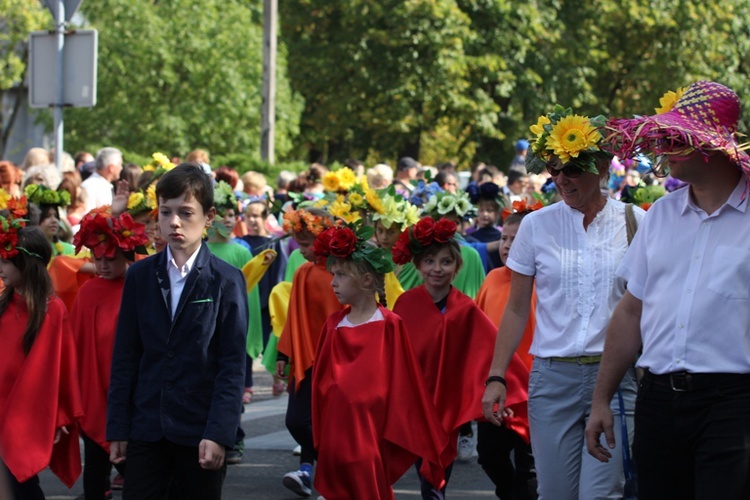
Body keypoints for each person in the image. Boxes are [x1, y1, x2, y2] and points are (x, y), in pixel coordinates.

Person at [586, 81, 750, 499]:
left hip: (734, 404)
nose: (663, 147)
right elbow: (629, 311)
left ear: (710, 146)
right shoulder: (660, 214)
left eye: (676, 138)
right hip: (657, 400)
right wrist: (601, 399)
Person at [482, 107, 644, 499]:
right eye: (554, 170)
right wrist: (497, 375)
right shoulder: (537, 226)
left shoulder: (636, 222)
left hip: (616, 378)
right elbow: (517, 308)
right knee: (554, 493)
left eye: (572, 169)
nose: (561, 179)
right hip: (552, 380)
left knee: (601, 494)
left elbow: (647, 308)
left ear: (603, 166)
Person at [106, 163, 249, 500]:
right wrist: (118, 427)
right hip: (147, 427)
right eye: (165, 212)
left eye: (186, 212)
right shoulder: (140, 276)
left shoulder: (226, 279)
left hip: (200, 430)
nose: (174, 222)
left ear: (209, 215)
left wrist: (220, 433)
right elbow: (126, 356)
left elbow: (232, 364)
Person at [392, 217, 528, 499]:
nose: (437, 269)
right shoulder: (405, 303)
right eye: (429, 261)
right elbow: (394, 351)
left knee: (441, 460)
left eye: (445, 262)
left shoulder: (465, 309)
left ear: (457, 267)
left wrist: (511, 390)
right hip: (415, 398)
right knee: (422, 460)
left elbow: (487, 349)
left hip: (450, 400)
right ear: (418, 265)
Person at [311, 222, 448, 499]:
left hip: (371, 428)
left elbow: (404, 381)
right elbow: (320, 382)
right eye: (333, 274)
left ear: (365, 280)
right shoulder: (333, 325)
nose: (333, 282)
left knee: (368, 484)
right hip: (338, 426)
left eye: (341, 275)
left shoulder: (389, 324)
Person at [0, 203, 83, 499]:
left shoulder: (51, 310)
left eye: (6, 261)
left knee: (20, 483)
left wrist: (58, 416)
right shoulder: (2, 305)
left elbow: (60, 368)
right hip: (2, 405)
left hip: (26, 413)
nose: (0, 267)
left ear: (27, 264)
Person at [70, 209, 149, 500]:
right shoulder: (88, 292)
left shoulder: (138, 287)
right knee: (94, 468)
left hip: (128, 393)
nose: (102, 265)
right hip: (94, 391)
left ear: (126, 256)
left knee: (136, 472)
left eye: (109, 258)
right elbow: (76, 344)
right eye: (97, 258)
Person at [275, 207, 341, 497]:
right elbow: (294, 316)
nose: (300, 250)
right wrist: (283, 354)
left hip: (339, 360)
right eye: (298, 243)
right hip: (307, 357)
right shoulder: (303, 272)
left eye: (305, 244)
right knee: (297, 419)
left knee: (330, 420)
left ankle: (309, 471)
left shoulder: (344, 270)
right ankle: (316, 467)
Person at [475, 206, 539, 500]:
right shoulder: (491, 279)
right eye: (505, 239)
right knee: (488, 455)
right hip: (497, 384)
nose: (508, 246)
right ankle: (509, 493)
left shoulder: (543, 282)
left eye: (517, 239)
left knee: (529, 465)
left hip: (533, 387)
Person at [81, 147, 123, 213]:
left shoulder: (99, 185)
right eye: (120, 164)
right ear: (111, 168)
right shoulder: (91, 187)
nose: (121, 168)